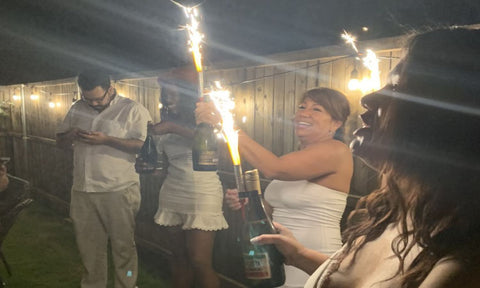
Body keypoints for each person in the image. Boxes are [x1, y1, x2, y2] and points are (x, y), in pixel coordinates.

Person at [249, 27, 480, 288]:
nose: (368, 98)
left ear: (448, 119)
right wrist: (299, 255)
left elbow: (274, 168)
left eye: (395, 88)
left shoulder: (460, 266)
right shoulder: (388, 216)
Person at [196, 87, 353, 287]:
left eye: (316, 109)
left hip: (313, 255)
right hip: (282, 256)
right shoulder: (295, 157)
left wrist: (227, 125)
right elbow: (270, 212)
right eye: (302, 106)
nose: (304, 113)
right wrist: (249, 202)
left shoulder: (337, 151)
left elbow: (272, 168)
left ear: (336, 123)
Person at [56, 69, 151, 288]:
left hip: (118, 188)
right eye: (88, 99)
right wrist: (71, 135)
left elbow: (144, 145)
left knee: (123, 247)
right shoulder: (77, 108)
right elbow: (59, 142)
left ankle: (126, 285)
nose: (94, 103)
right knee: (88, 247)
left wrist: (107, 139)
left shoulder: (132, 109)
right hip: (82, 188)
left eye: (99, 98)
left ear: (110, 88)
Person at [137, 68, 228, 288]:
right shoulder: (166, 121)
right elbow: (165, 164)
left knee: (199, 260)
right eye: (165, 93)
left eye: (173, 92)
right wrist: (149, 167)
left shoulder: (207, 120)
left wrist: (172, 128)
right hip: (172, 191)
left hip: (203, 192)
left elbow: (220, 148)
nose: (167, 97)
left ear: (187, 95)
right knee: (177, 257)